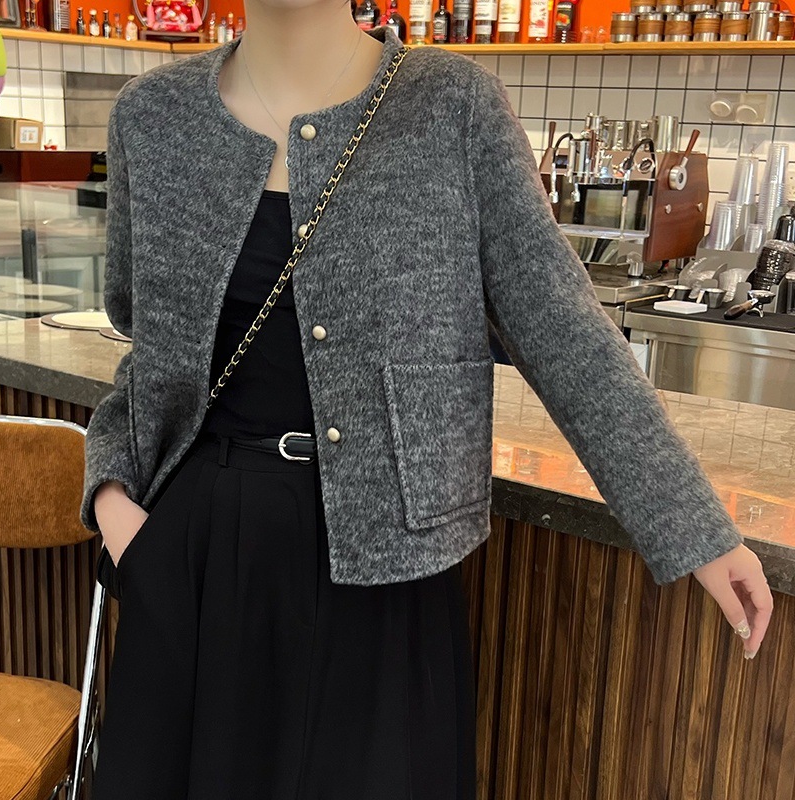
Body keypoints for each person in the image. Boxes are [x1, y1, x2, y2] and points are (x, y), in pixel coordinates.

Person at [82, 1, 774, 797]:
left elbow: (563, 331)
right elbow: (147, 351)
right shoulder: (152, 116)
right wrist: (116, 507)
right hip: (194, 558)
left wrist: (694, 526)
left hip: (389, 569)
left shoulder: (452, 106)